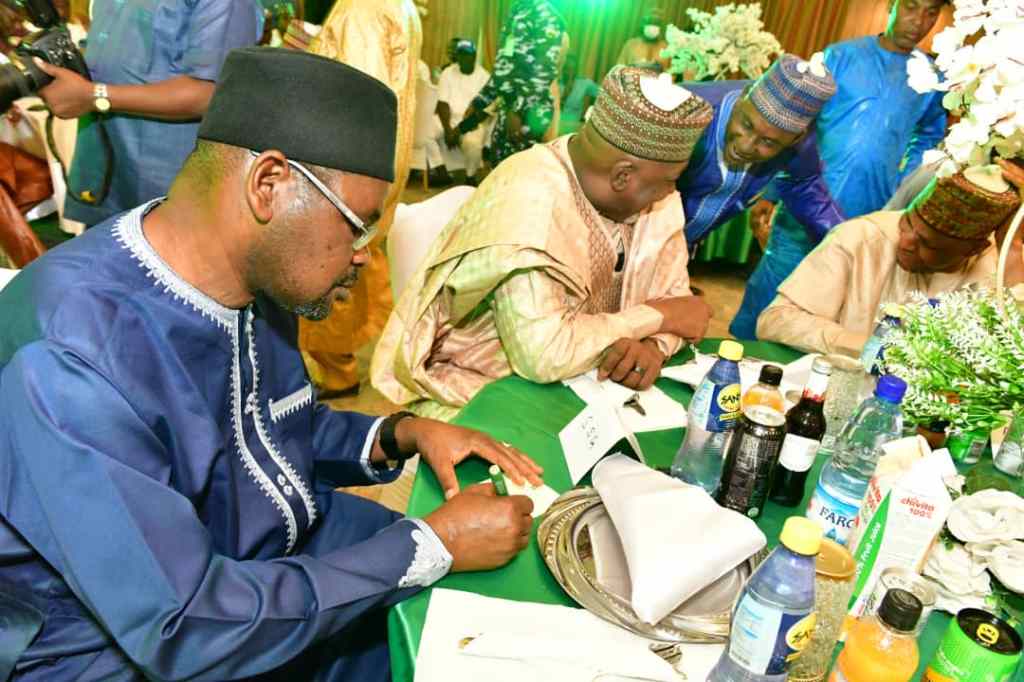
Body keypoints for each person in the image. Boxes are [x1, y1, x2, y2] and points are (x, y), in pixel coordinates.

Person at [0, 48, 541, 682]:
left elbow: (269, 427)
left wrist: (402, 433)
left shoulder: (255, 271)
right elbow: (182, 625)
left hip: (265, 551)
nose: (365, 257)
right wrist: (428, 547)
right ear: (269, 185)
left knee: (484, 618)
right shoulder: (71, 360)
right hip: (129, 642)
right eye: (358, 227)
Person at [372, 67, 715, 421]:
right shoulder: (528, 202)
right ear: (622, 176)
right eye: (670, 180)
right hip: (483, 389)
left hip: (592, 383)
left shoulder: (654, 199)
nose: (670, 191)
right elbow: (543, 355)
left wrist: (653, 345)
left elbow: (681, 303)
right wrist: (658, 317)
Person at [730, 0, 950, 339]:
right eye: (910, 7)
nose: (919, 21)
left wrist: (902, 188)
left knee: (829, 306)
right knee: (771, 289)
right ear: (892, 6)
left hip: (869, 209)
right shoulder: (841, 56)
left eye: (931, 12)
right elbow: (799, 124)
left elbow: (929, 137)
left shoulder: (932, 78)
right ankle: (736, 353)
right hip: (805, 201)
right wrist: (771, 192)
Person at [34, 0, 263, 227]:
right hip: (104, 164)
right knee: (105, 247)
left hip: (169, 178)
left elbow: (210, 93)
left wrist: (96, 95)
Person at [757, 164, 1024, 356]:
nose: (905, 241)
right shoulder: (861, 237)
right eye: (907, 222)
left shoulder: (993, 271)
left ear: (973, 249)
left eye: (928, 244)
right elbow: (776, 320)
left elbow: (1007, 361)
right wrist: (871, 349)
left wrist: (1011, 253)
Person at [299, 0, 421, 394]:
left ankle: (336, 371)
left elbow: (357, 100)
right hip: (378, 163)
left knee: (329, 265)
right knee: (357, 261)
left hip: (348, 170)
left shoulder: (361, 10)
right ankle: (347, 361)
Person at [676, 53, 843, 254]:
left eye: (768, 142)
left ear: (795, 139)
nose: (745, 147)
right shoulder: (686, 111)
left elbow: (805, 187)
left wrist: (846, 245)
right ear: (744, 96)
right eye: (746, 124)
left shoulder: (799, 143)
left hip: (682, 248)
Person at [458, 0, 567, 165]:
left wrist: (518, 110)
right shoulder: (519, 9)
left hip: (528, 114)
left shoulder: (546, 16)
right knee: (500, 166)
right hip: (509, 107)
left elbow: (541, 74)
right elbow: (504, 69)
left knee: (521, 172)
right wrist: (480, 101)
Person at [437, 39, 491, 184]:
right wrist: (448, 129)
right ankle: (440, 173)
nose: (464, 58)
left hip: (472, 122)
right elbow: (442, 103)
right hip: (449, 119)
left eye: (468, 55)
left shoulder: (484, 76)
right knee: (426, 133)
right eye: (461, 54)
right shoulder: (448, 72)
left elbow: (483, 112)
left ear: (474, 56)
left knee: (473, 143)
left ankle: (470, 177)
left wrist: (459, 130)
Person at [615, 8, 670, 72]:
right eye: (649, 22)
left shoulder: (666, 48)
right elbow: (619, 69)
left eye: (656, 23)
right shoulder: (631, 44)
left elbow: (671, 73)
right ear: (643, 24)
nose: (652, 26)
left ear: (661, 26)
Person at [558, 53, 599, 135]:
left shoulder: (583, 83)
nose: (568, 72)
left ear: (576, 70)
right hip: (552, 124)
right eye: (566, 68)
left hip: (571, 127)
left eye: (571, 69)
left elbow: (604, 94)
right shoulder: (554, 81)